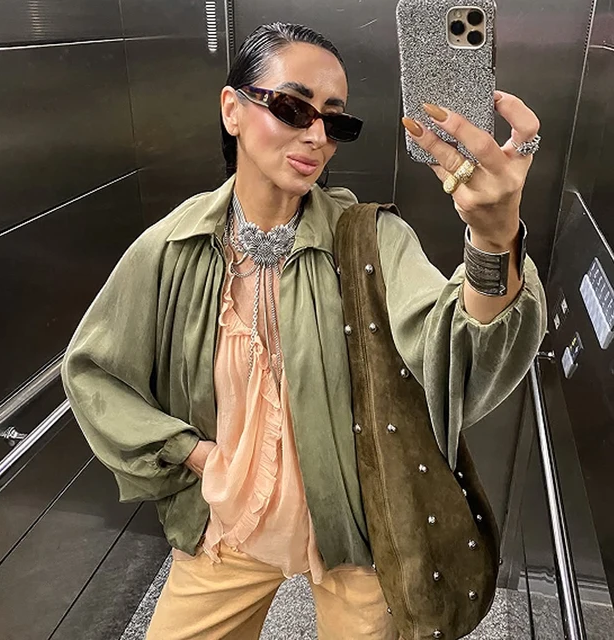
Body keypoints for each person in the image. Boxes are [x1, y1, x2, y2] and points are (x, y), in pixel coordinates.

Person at [61, 22, 546, 640]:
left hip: (358, 533)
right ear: (232, 110)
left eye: (336, 122)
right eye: (293, 108)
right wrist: (194, 454)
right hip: (230, 529)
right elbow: (94, 374)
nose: (316, 136)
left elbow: (457, 354)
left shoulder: (369, 239)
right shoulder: (175, 246)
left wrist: (493, 239)